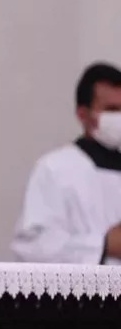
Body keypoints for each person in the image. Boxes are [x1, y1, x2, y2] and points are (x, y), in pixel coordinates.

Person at [11, 62, 121, 264]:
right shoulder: (56, 169)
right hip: (84, 285)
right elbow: (31, 247)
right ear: (83, 114)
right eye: (112, 110)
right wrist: (103, 245)